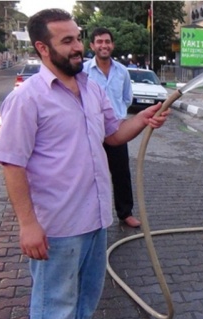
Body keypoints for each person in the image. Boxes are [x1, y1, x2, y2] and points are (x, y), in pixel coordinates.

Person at [0, 9, 169, 319]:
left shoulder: (90, 87)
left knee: (85, 306)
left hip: (95, 222)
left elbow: (113, 134)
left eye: (78, 38)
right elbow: (12, 164)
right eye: (67, 40)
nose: (78, 47)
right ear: (42, 48)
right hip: (57, 229)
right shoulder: (28, 98)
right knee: (54, 311)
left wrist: (143, 118)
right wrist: (28, 225)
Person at [83, 27, 140, 228]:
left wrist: (121, 118)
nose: (103, 45)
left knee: (121, 173)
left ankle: (125, 213)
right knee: (90, 174)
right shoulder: (83, 71)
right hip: (90, 132)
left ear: (112, 45)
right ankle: (89, 216)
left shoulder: (122, 71)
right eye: (99, 42)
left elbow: (126, 98)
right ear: (92, 46)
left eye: (107, 41)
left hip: (116, 130)